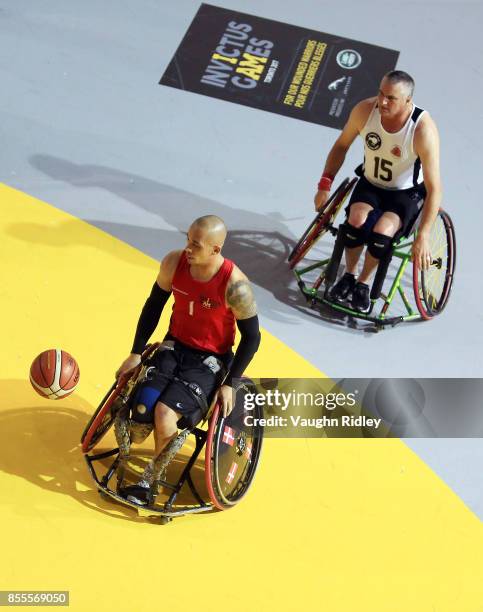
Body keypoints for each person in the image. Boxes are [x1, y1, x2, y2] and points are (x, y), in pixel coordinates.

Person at [115, 214, 260, 503]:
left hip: (210, 360)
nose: (188, 250)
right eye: (187, 241)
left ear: (216, 250)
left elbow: (252, 338)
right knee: (142, 410)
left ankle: (150, 483)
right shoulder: (173, 263)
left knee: (165, 415)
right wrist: (135, 352)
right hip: (173, 346)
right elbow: (153, 305)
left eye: (196, 245)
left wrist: (231, 382)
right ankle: (152, 445)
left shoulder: (235, 285)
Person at [314, 70, 442, 311]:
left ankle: (364, 283)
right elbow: (341, 145)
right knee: (355, 220)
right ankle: (350, 275)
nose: (382, 101)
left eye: (391, 98)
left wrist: (423, 235)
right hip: (371, 183)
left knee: (382, 231)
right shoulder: (364, 111)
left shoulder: (422, 130)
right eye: (381, 93)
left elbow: (435, 188)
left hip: (406, 193)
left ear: (408, 101)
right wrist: (324, 184)